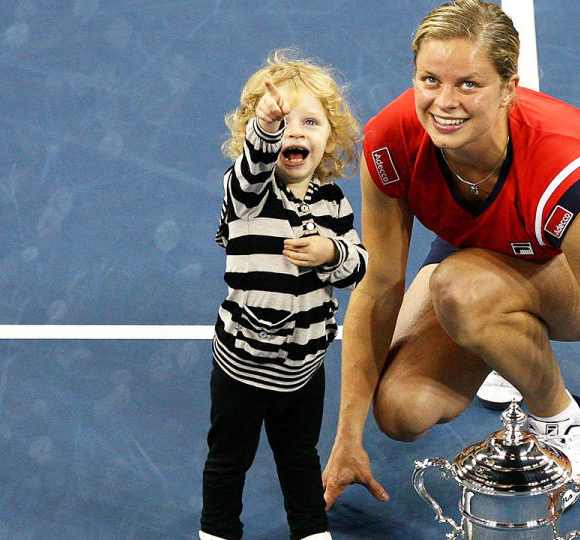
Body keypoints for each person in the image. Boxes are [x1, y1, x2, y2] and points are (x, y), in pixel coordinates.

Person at [322, 0, 580, 535]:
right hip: (490, 239)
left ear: (509, 87)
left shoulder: (561, 167)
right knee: (400, 410)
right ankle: (501, 336)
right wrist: (347, 438)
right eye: (429, 80)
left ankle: (559, 415)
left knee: (462, 292)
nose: (444, 102)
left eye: (469, 84)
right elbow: (379, 288)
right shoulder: (391, 142)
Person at [200, 49, 366, 540]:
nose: (295, 131)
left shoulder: (334, 202)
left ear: (329, 139)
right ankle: (217, 531)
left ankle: (311, 530)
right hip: (243, 364)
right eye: (281, 120)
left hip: (304, 368)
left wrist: (331, 253)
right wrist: (265, 130)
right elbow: (254, 164)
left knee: (299, 457)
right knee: (230, 458)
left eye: (311, 121)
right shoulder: (248, 194)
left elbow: (359, 266)